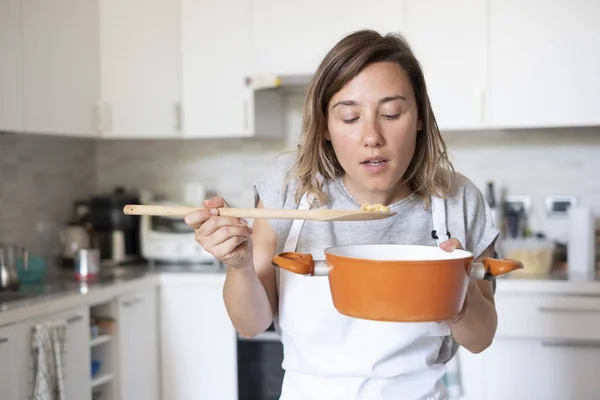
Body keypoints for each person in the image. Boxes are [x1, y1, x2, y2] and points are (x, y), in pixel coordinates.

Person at [185, 29, 500, 400]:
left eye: (391, 113)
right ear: (327, 128)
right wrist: (238, 265)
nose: (372, 136)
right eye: (350, 117)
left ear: (418, 117)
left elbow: (481, 338)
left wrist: (454, 293)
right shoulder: (287, 194)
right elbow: (251, 323)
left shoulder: (458, 201)